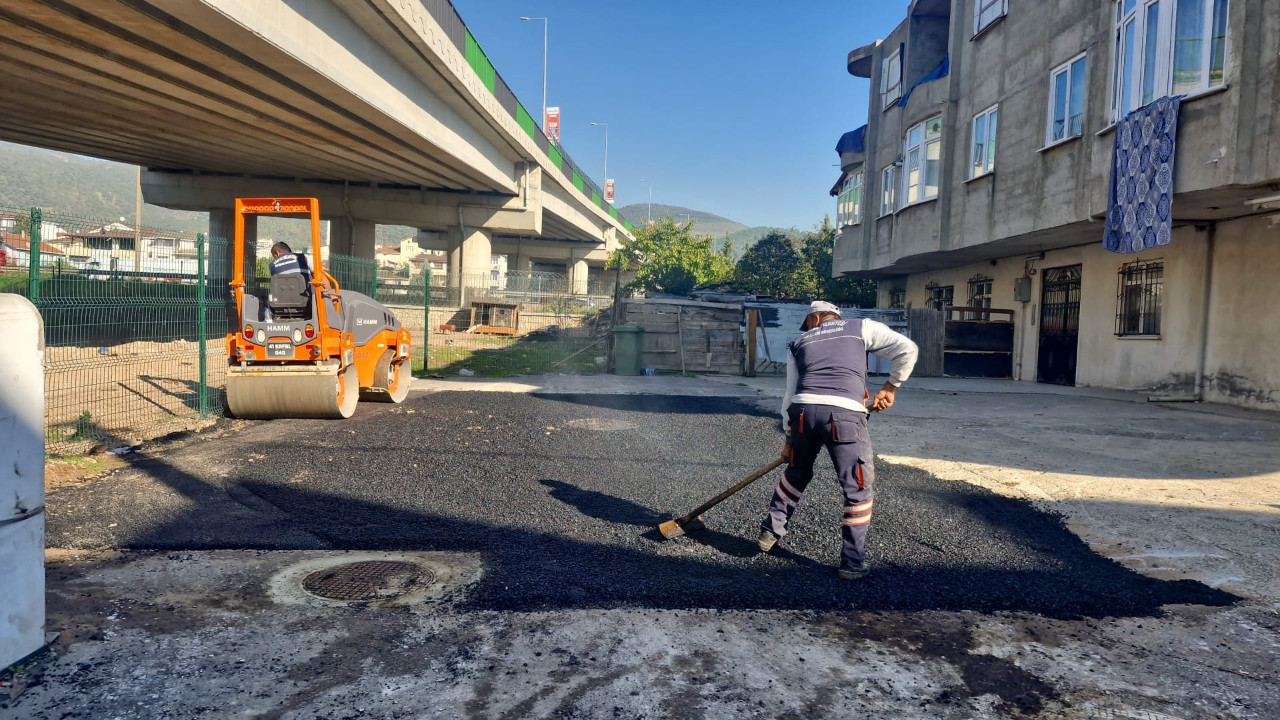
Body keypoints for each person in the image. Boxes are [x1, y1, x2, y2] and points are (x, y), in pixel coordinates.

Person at [757, 300, 918, 580]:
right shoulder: (861, 327)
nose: (806, 328)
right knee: (858, 488)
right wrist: (891, 388)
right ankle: (852, 562)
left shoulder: (799, 342)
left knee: (796, 473)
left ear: (816, 318)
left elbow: (790, 394)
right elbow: (909, 349)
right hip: (844, 416)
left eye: (807, 322)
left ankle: (770, 532)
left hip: (803, 412)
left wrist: (788, 437)